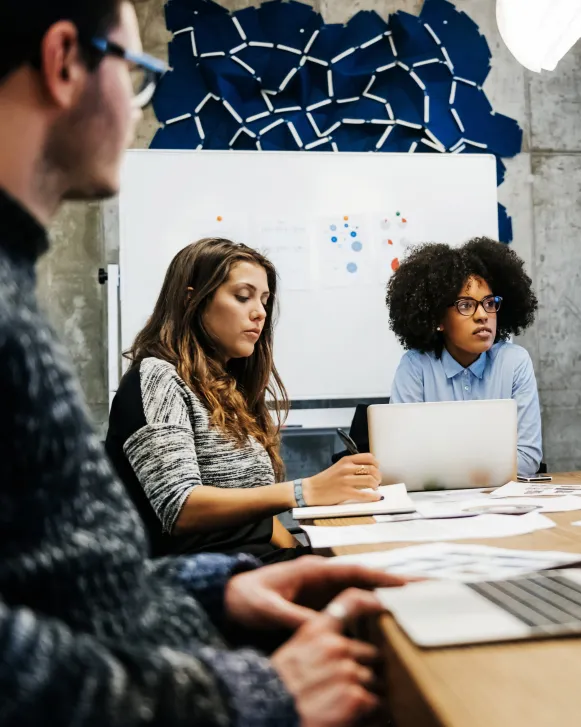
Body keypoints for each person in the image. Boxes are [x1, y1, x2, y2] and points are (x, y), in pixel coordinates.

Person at [0, 2, 407, 724]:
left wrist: (211, 591)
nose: (134, 106)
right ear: (65, 61)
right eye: (136, 74)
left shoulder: (14, 288)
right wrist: (240, 697)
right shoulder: (147, 370)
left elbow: (66, 584)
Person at [106, 238, 383, 561]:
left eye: (264, 300)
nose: (259, 313)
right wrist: (303, 491)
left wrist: (305, 553)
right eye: (242, 297)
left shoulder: (227, 389)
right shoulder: (158, 377)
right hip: (204, 579)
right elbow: (180, 507)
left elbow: (256, 520)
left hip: (251, 564)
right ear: (191, 301)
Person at [385, 237, 543, 476]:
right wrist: (486, 465)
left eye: (489, 303)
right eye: (466, 305)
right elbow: (402, 460)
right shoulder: (415, 366)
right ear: (438, 319)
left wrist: (442, 466)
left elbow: (528, 459)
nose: (482, 315)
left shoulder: (514, 362)